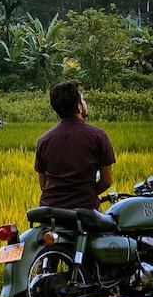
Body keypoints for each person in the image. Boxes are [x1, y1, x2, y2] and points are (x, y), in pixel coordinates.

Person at [35, 79, 115, 209]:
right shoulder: (98, 136)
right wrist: (88, 195)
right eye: (83, 100)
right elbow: (107, 181)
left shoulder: (44, 140)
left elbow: (44, 185)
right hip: (86, 210)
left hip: (51, 211)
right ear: (79, 107)